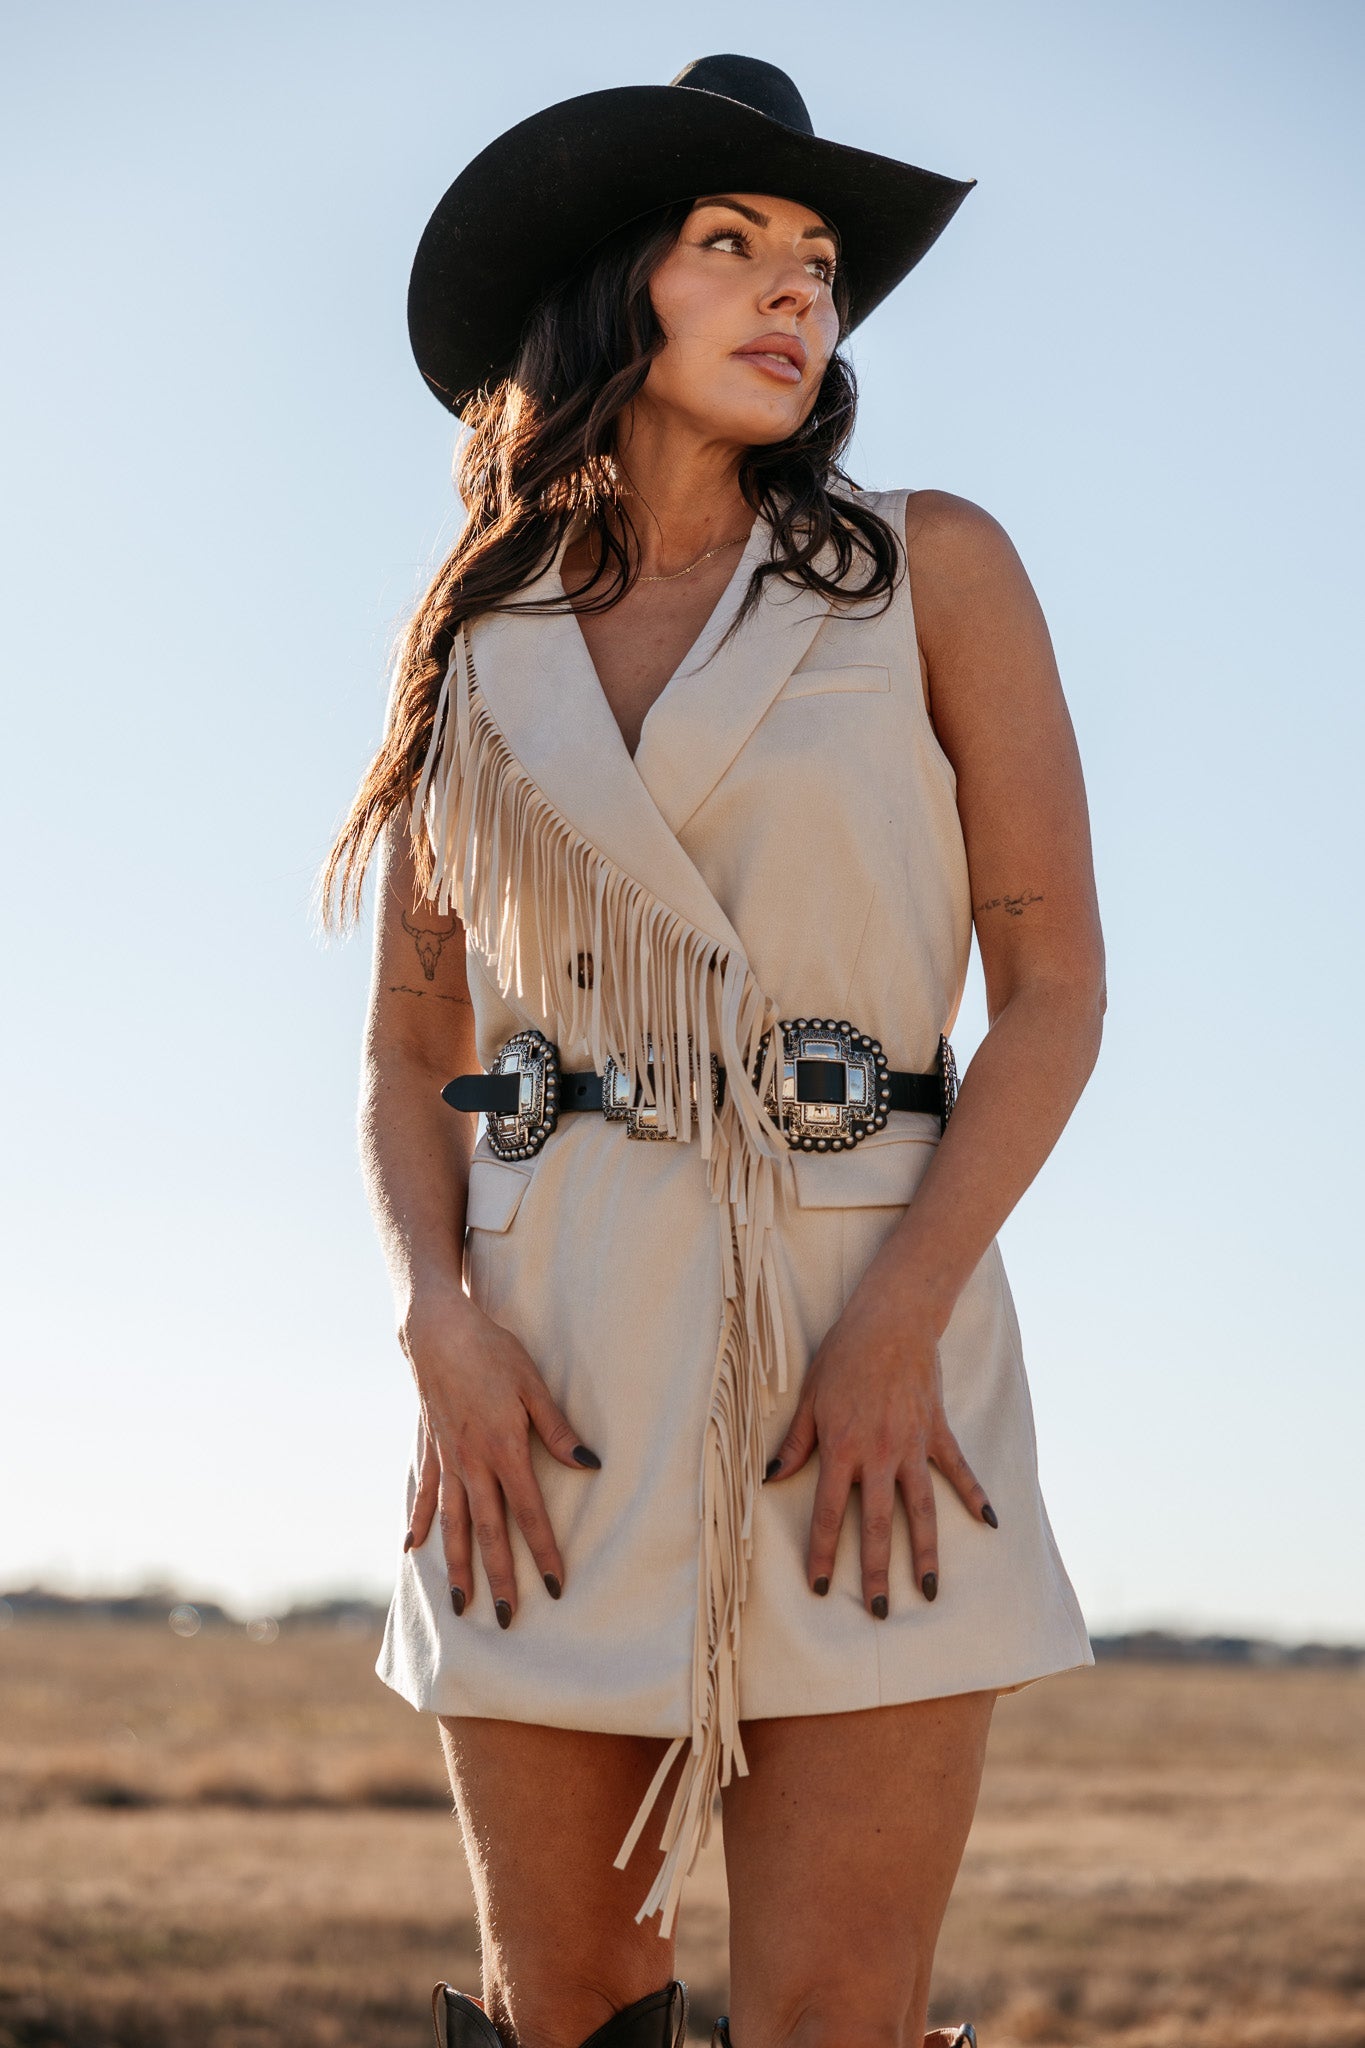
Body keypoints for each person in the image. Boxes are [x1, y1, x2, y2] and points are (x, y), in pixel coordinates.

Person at [320, 51, 1106, 2048]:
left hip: (874, 1336)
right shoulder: (473, 643)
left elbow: (1052, 988)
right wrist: (436, 1316)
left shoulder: (930, 566)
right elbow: (418, 1036)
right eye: (730, 246)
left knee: (835, 2011)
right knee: (561, 1998)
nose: (793, 296)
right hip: (546, 1354)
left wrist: (897, 1314)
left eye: (819, 264)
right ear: (609, 289)